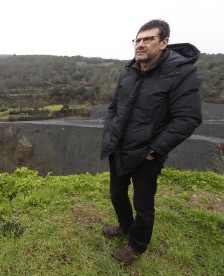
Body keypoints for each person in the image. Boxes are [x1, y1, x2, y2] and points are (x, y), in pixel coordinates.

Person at [100, 19, 202, 265]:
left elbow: (188, 118)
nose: (141, 44)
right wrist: (109, 132)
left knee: (143, 204)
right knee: (116, 194)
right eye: (138, 39)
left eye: (148, 39)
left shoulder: (182, 73)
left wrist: (154, 150)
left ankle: (136, 245)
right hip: (120, 148)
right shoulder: (130, 71)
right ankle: (125, 226)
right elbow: (114, 107)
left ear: (164, 42)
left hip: (148, 153)